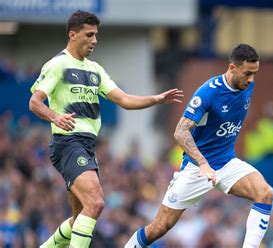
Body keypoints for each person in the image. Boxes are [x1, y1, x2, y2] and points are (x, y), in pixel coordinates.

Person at [29, 10, 183, 248]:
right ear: (72, 35)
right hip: (69, 142)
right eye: (89, 35)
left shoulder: (95, 69)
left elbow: (124, 100)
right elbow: (34, 102)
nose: (94, 40)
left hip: (87, 146)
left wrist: (156, 98)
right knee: (96, 203)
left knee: (79, 217)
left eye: (96, 35)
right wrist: (55, 117)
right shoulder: (57, 65)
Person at [125, 44, 273, 248]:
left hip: (227, 164)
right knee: (159, 227)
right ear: (232, 68)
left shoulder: (248, 85)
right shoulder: (208, 92)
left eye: (255, 74)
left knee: (265, 193)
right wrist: (203, 163)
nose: (251, 79)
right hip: (196, 169)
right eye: (248, 73)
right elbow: (180, 131)